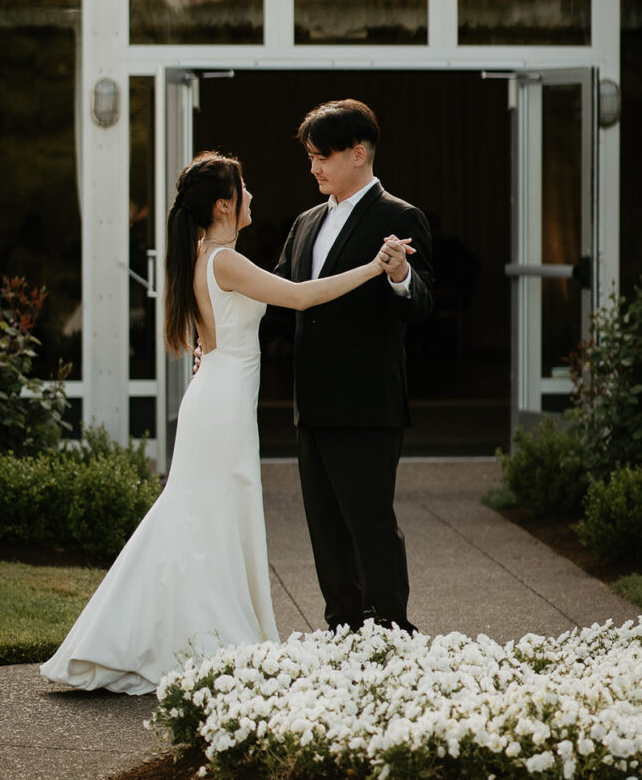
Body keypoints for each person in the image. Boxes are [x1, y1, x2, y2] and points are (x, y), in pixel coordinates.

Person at [40, 151, 405, 694]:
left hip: (216, 395)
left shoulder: (205, 256)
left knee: (202, 516)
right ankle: (205, 639)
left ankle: (167, 634)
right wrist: (377, 268)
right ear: (223, 204)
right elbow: (301, 297)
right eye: (244, 189)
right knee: (207, 517)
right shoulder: (223, 259)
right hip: (223, 400)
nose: (252, 197)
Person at [272, 99, 434, 634]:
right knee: (324, 528)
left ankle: (391, 631)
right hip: (311, 403)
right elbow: (278, 301)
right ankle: (341, 629)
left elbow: (420, 306)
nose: (313, 167)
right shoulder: (304, 222)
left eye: (323, 156)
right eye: (310, 157)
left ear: (358, 153)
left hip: (367, 402)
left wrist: (399, 273)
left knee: (369, 524)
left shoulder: (400, 217)